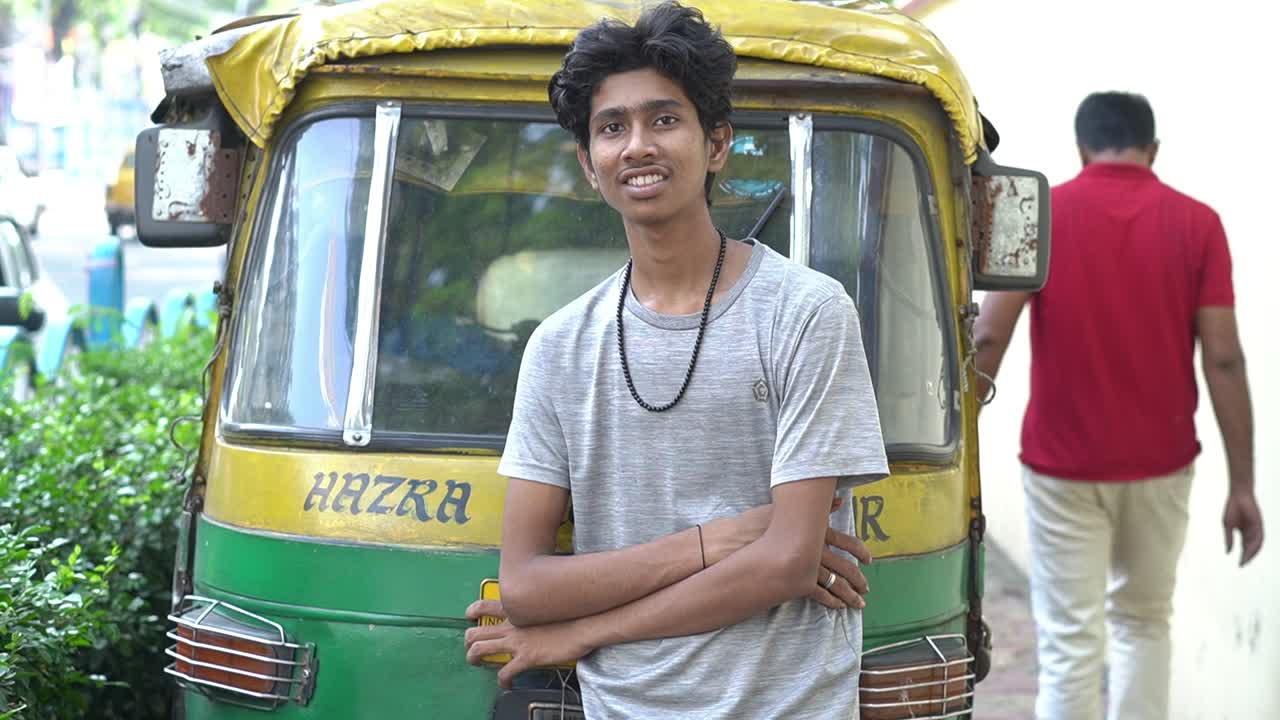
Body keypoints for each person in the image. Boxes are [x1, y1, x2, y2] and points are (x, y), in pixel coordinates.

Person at [461, 2, 889, 717]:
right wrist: (717, 541)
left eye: (664, 120)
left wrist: (585, 630)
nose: (637, 146)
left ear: (716, 143)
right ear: (589, 164)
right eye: (611, 128)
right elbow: (527, 586)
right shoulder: (561, 347)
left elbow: (787, 562)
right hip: (626, 707)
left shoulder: (807, 312)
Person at [973, 91, 1264, 720]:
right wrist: (1242, 483)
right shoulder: (1199, 223)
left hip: (1060, 467)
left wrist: (957, 439)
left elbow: (989, 335)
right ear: (1152, 150)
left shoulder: (1040, 213)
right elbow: (1224, 359)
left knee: (1070, 642)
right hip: (1162, 466)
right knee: (1145, 623)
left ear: (1081, 150)